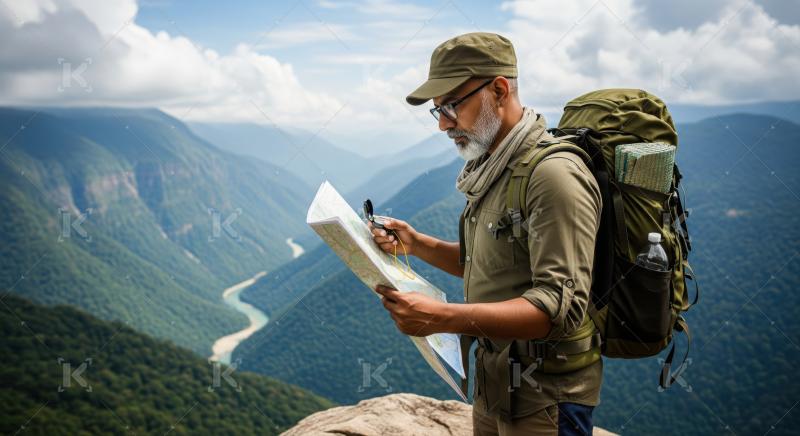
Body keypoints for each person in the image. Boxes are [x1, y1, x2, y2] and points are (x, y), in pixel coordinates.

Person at [370, 32, 603, 435]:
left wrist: (444, 318)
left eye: (451, 106)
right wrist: (417, 243)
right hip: (496, 383)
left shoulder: (553, 175)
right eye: (437, 111)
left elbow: (555, 309)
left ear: (498, 89)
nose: (443, 123)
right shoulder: (494, 166)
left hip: (546, 398)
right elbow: (493, 265)